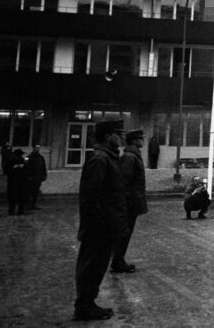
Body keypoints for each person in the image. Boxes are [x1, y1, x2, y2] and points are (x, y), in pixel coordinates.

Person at [74, 120, 127, 322]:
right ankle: (84, 306)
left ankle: (87, 304)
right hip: (99, 225)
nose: (120, 138)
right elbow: (90, 196)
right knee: (91, 266)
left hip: (105, 224)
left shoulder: (108, 158)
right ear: (107, 136)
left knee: (96, 266)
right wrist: (99, 222)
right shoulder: (100, 159)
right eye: (117, 134)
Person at [112, 129, 147, 274]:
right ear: (134, 141)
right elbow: (123, 181)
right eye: (140, 138)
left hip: (131, 202)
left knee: (126, 232)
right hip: (129, 203)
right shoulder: (130, 157)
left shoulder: (132, 155)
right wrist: (126, 202)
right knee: (124, 233)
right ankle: (117, 262)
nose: (142, 141)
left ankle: (118, 261)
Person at [6, 148, 28, 216]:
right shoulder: (11, 161)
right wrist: (15, 167)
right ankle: (13, 211)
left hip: (19, 181)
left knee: (20, 197)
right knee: (13, 197)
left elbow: (26, 169)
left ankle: (18, 210)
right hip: (14, 182)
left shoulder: (22, 160)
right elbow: (7, 170)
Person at [26, 143, 48, 211]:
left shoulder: (41, 157)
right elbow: (26, 167)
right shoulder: (28, 157)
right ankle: (28, 205)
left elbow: (44, 167)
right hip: (31, 177)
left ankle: (33, 204)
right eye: (36, 148)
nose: (38, 149)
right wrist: (28, 176)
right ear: (33, 148)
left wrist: (44, 175)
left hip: (38, 177)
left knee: (36, 192)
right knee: (29, 192)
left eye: (39, 148)